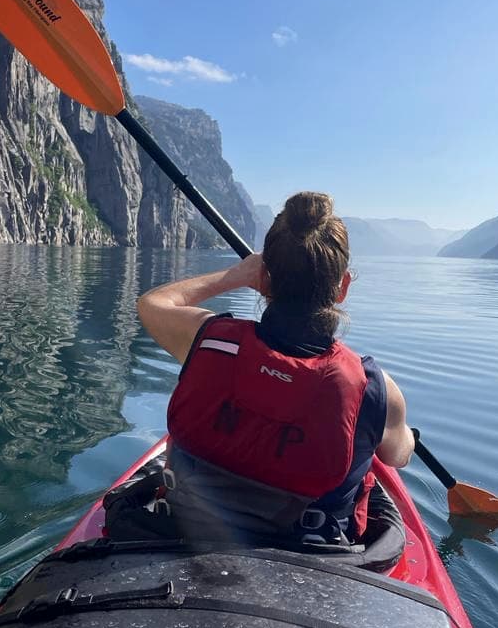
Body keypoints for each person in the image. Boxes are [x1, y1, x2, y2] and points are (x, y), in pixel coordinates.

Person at [134, 191, 415, 547]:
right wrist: (408, 436)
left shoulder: (205, 339)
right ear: (342, 287)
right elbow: (397, 456)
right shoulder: (376, 391)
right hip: (315, 563)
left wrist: (235, 275)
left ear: (263, 280)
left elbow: (152, 303)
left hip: (180, 533)